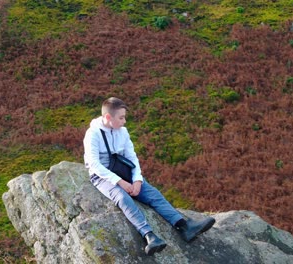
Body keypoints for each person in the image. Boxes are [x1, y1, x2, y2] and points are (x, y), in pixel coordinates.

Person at [83, 97, 216, 256]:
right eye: (121, 117)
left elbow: (132, 157)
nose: (124, 121)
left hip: (122, 170)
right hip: (102, 176)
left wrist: (137, 179)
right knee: (123, 197)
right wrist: (120, 182)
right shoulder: (93, 134)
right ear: (107, 118)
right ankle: (149, 236)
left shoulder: (122, 132)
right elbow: (94, 164)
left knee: (152, 193)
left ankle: (184, 227)